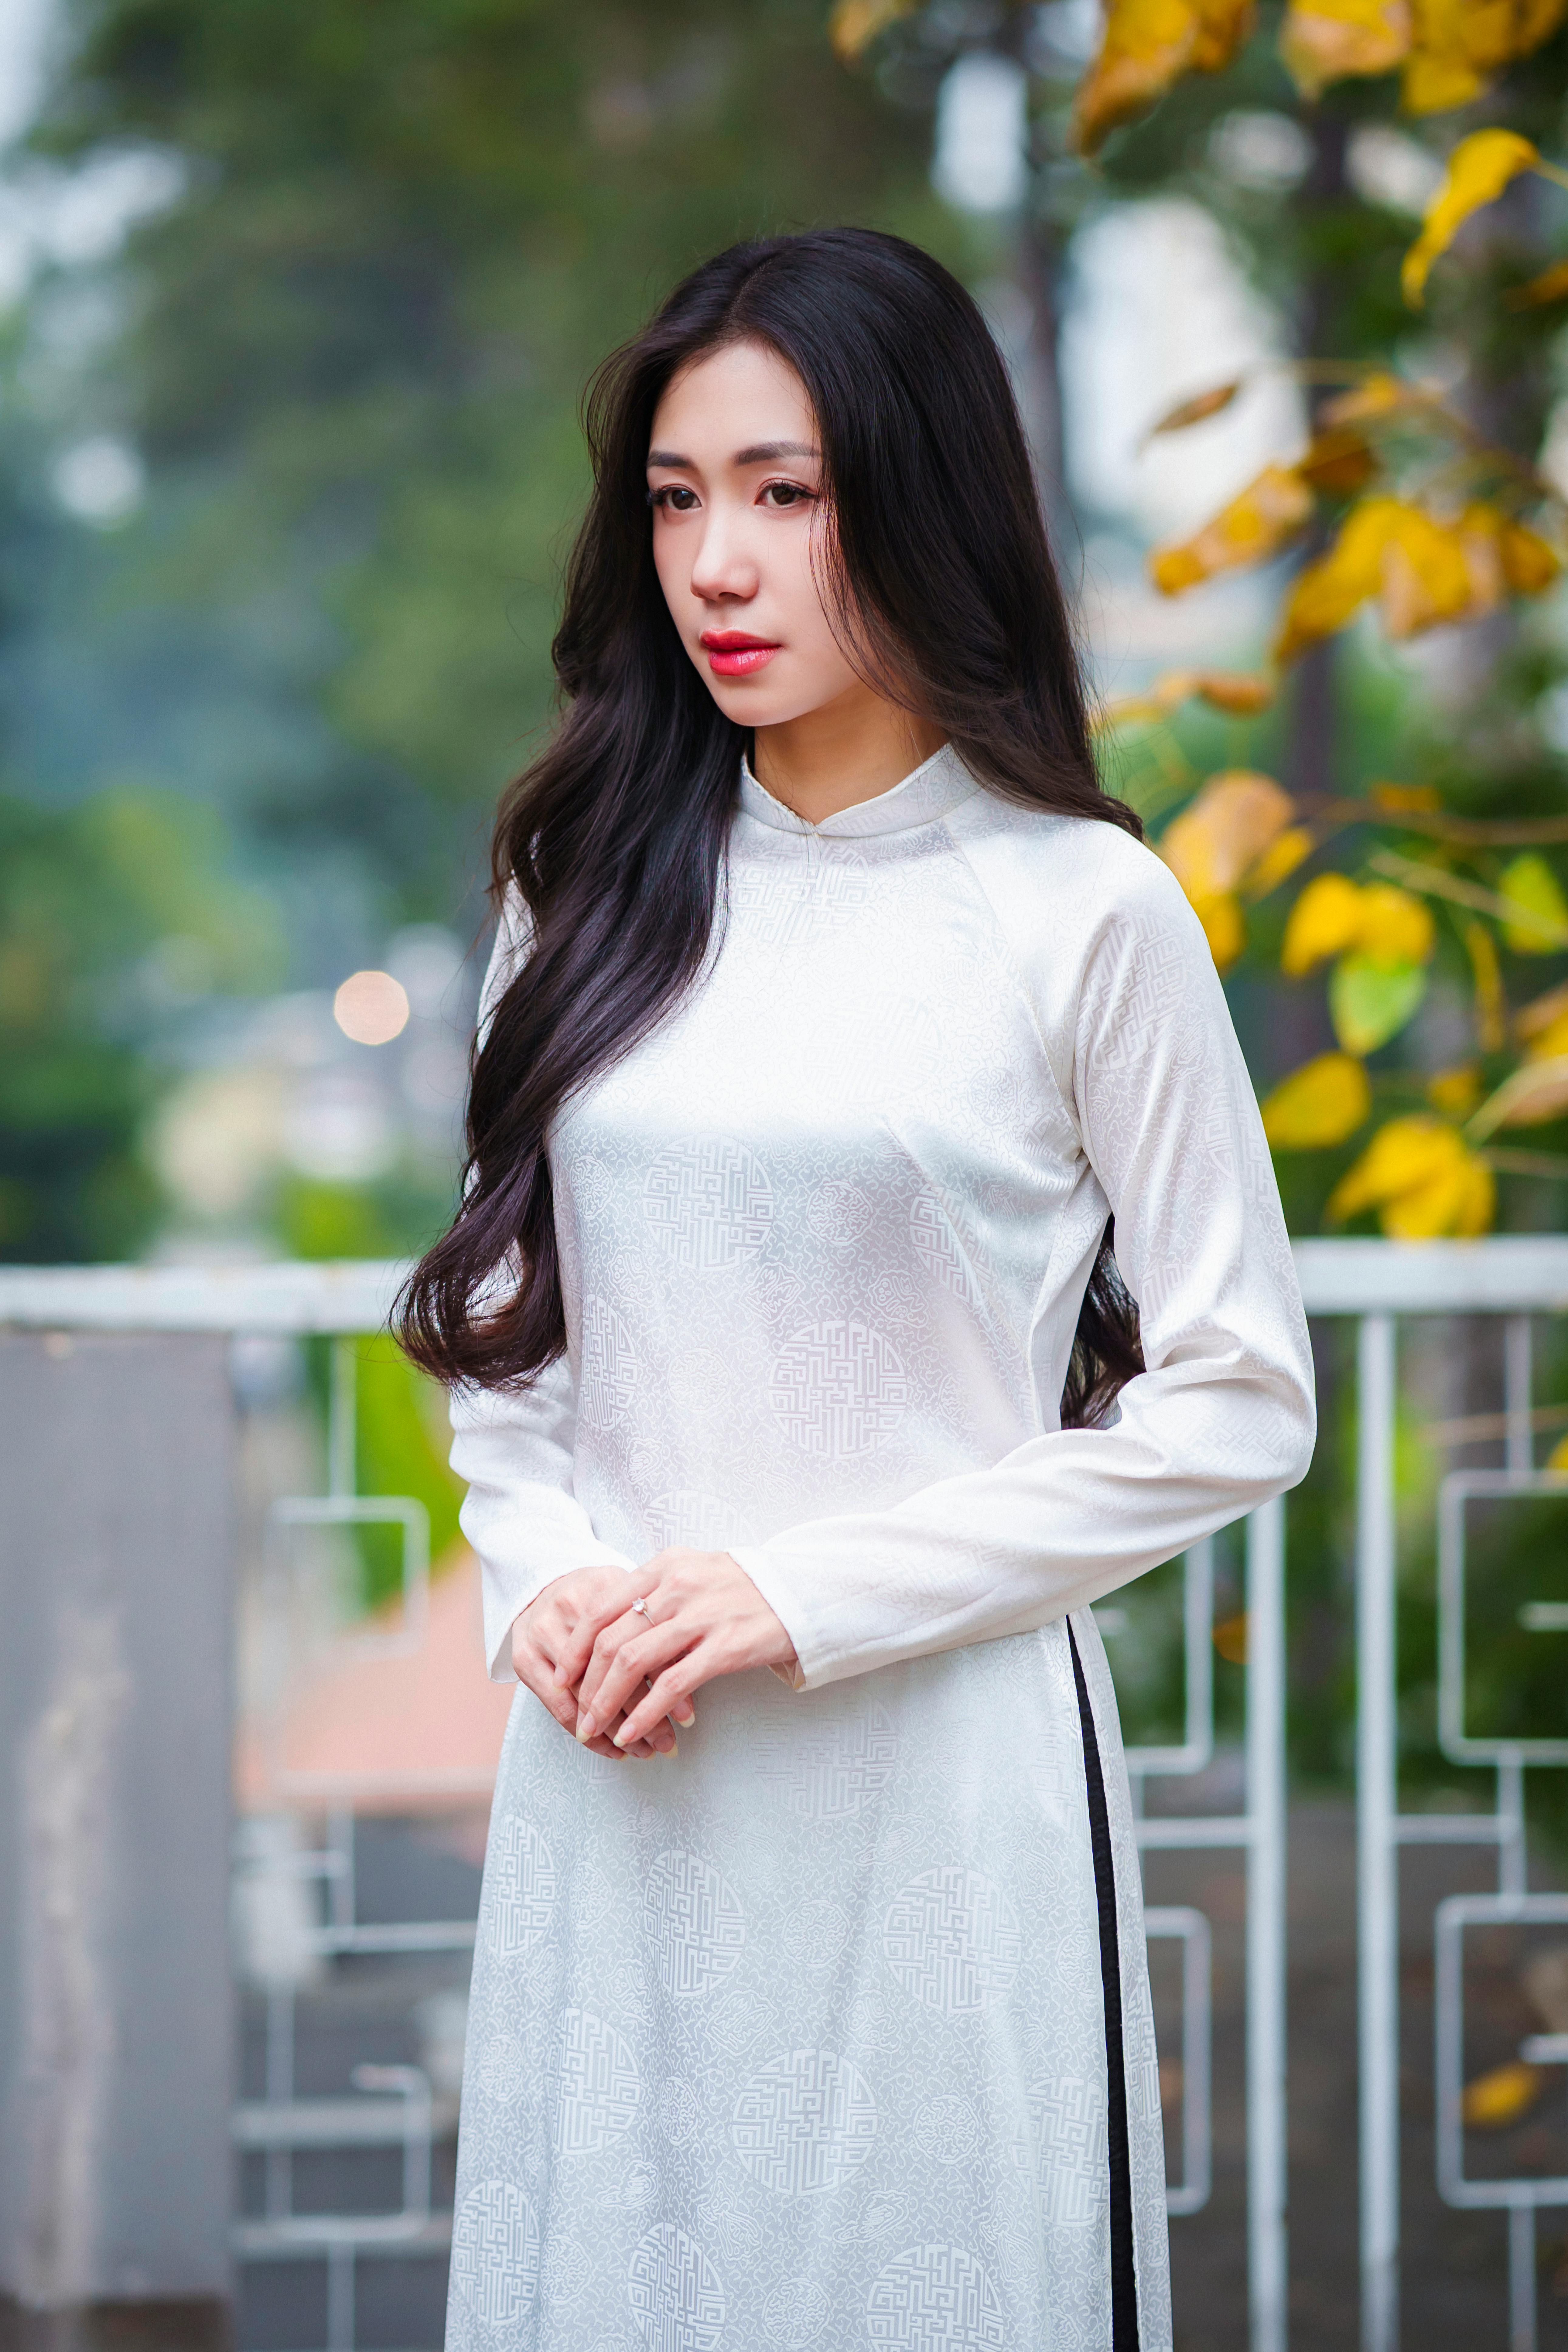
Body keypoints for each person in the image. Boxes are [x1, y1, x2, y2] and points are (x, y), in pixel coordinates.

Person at [399, 225, 1315, 2352]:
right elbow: (510, 1359)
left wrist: (802, 1594)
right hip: (621, 1769)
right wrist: (539, 1578)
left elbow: (1239, 1393)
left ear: (915, 495)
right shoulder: (581, 886)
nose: (718, 561)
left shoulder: (1082, 912)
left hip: (940, 1795)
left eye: (786, 495)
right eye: (678, 497)